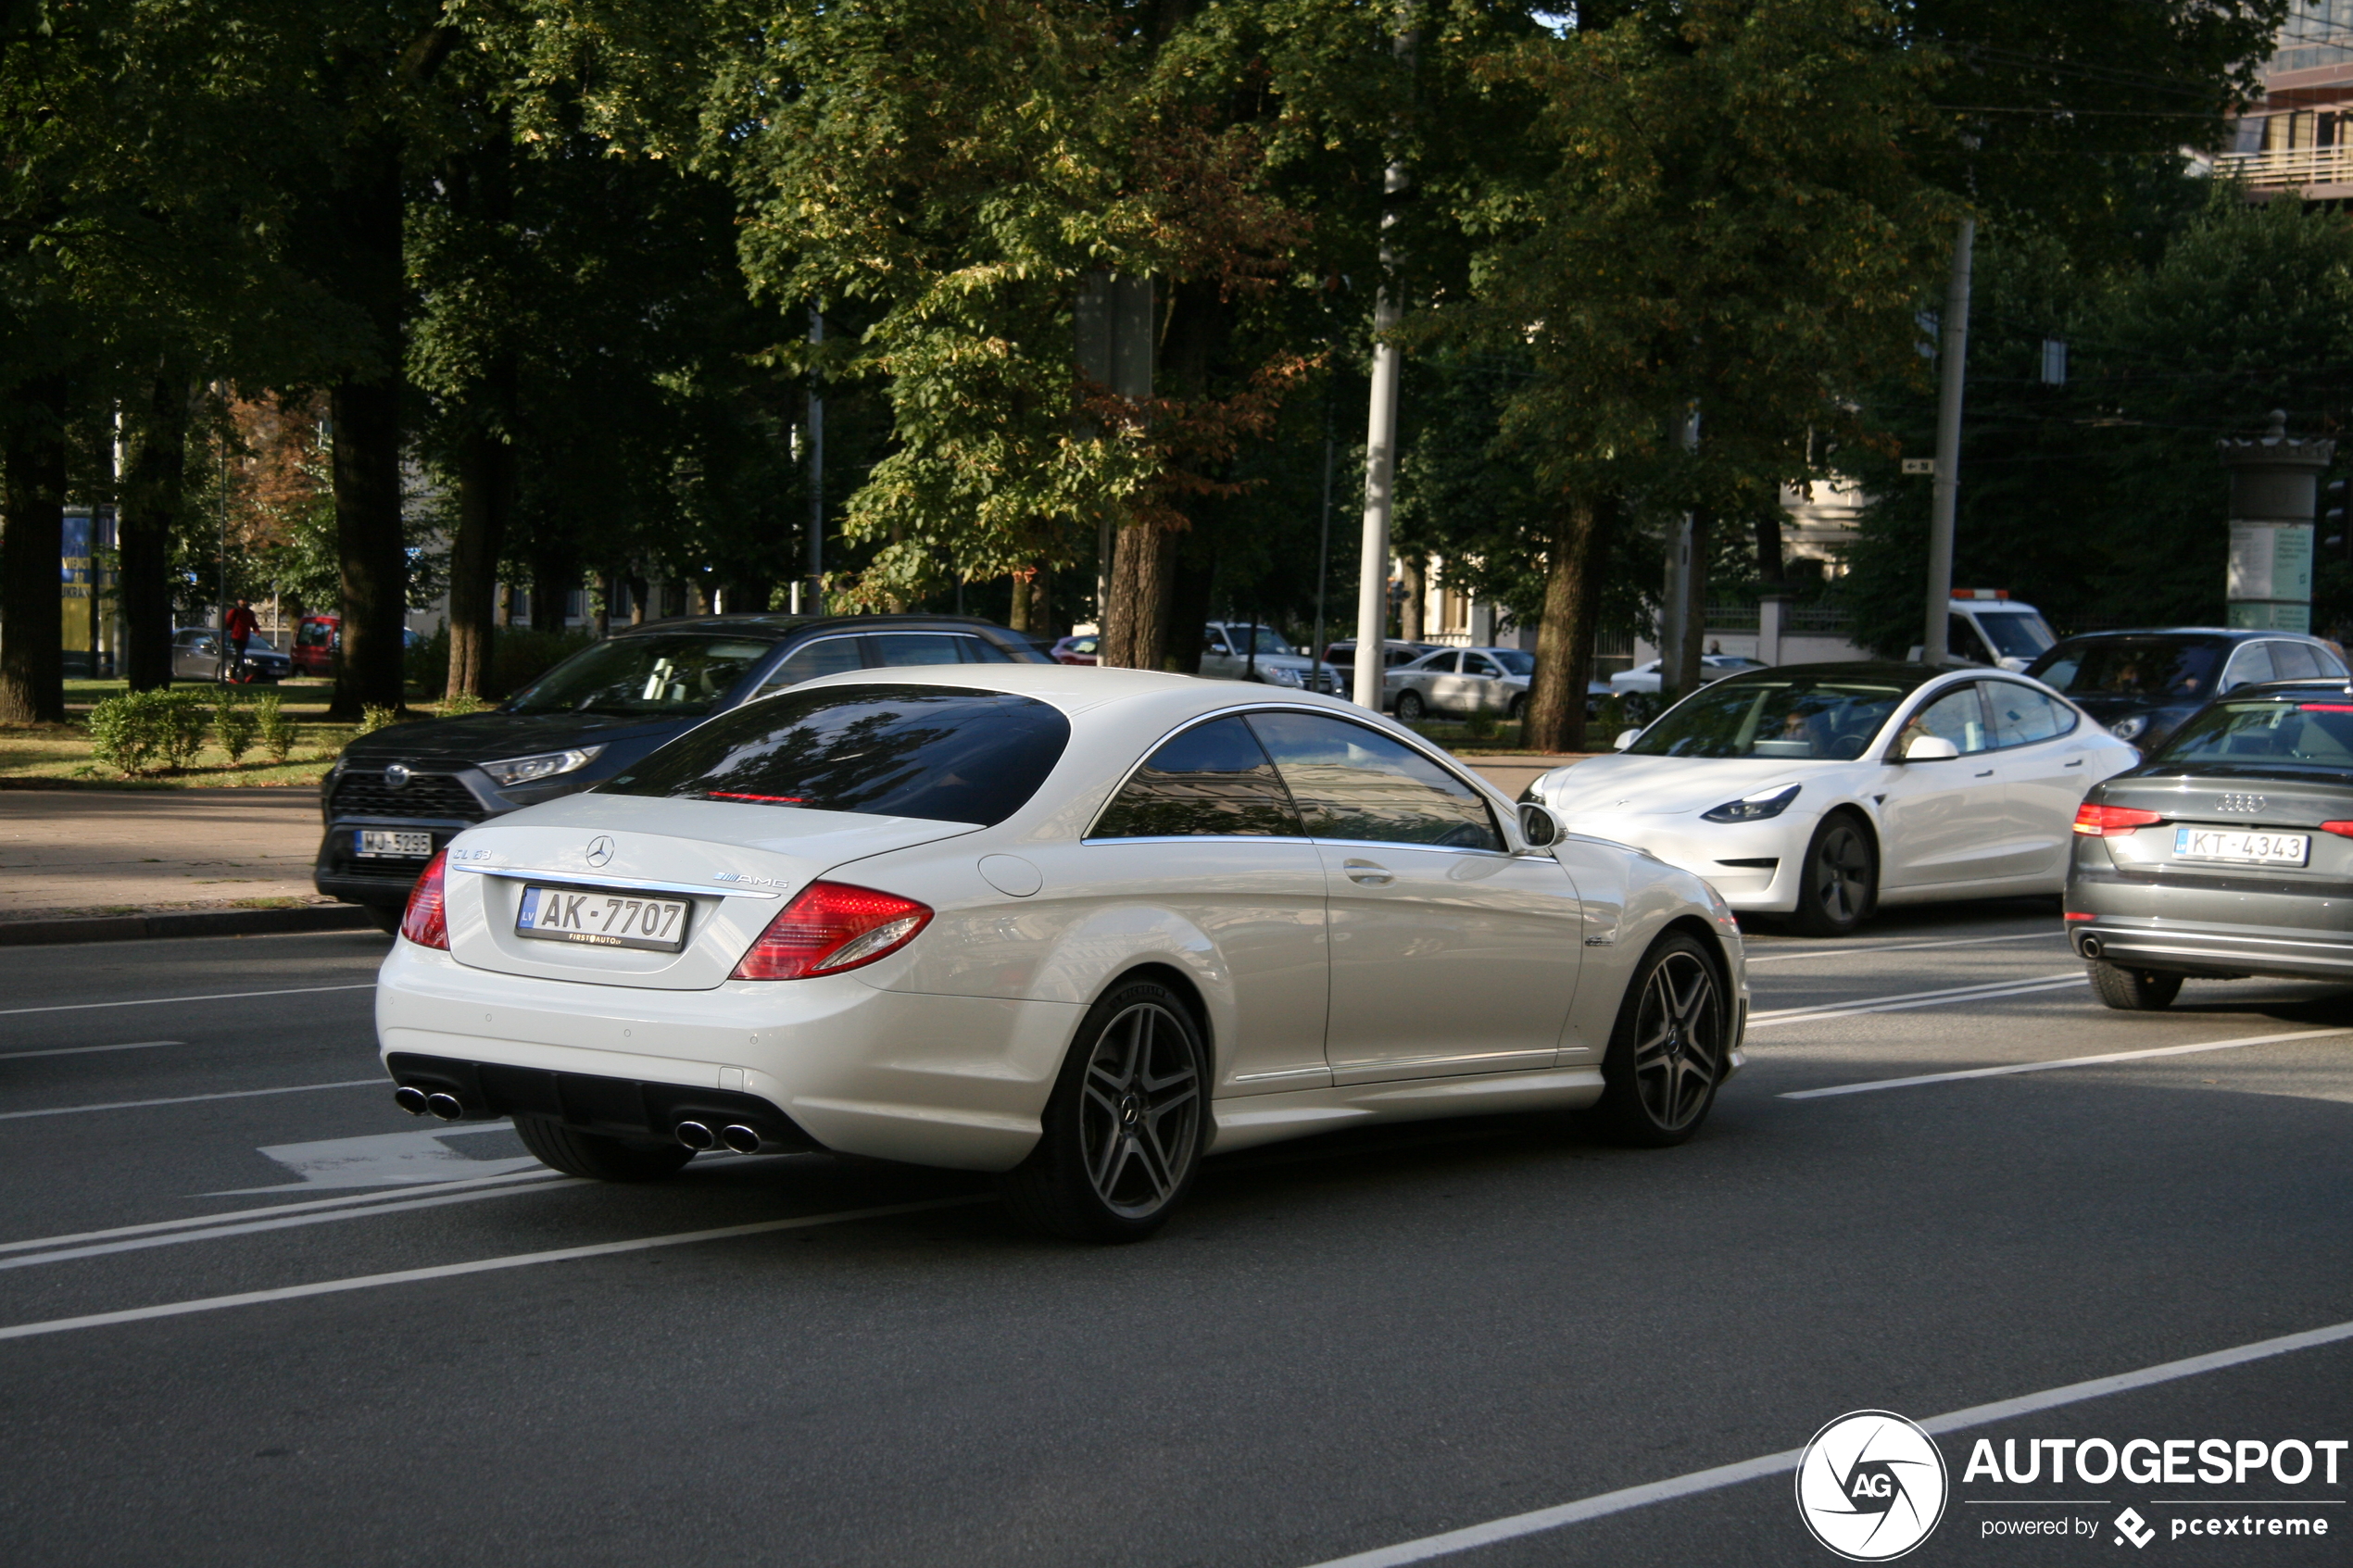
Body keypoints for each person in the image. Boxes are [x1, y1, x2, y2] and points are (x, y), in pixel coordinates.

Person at [223, 598, 258, 681]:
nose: (244, 603)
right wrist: (222, 635)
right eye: (242, 601)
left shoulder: (250, 613)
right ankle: (245, 676)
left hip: (245, 637)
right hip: (236, 637)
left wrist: (257, 631)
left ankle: (232, 677)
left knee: (238, 658)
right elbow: (227, 623)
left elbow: (253, 623)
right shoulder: (234, 611)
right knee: (241, 656)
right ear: (238, 601)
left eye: (246, 601)